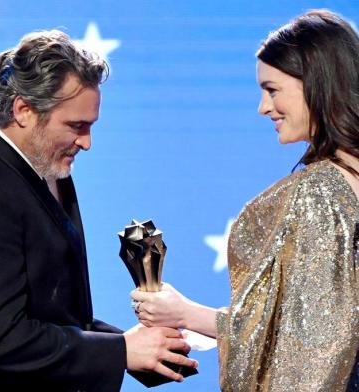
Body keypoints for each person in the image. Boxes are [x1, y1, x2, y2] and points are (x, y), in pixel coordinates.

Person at [131, 9, 359, 391]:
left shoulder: (320, 192)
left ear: (316, 82)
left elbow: (310, 347)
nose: (263, 107)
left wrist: (185, 313)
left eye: (272, 89)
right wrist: (188, 314)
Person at [0, 30, 198, 392]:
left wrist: (143, 349)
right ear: (24, 110)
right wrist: (120, 350)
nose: (87, 143)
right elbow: (2, 339)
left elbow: (55, 314)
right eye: (77, 126)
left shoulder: (44, 163)